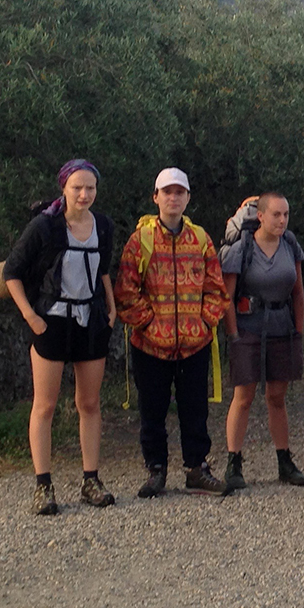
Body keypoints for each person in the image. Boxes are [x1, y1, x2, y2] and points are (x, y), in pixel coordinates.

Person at [2, 158, 116, 515]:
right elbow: (11, 272)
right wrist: (31, 316)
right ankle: (43, 486)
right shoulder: (45, 226)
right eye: (77, 187)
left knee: (90, 404)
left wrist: (111, 310)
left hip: (90, 321)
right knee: (45, 405)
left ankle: (91, 481)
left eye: (90, 188)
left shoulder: (104, 226)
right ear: (64, 188)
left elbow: (104, 270)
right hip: (51, 322)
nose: (84, 194)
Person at [115, 167, 233, 497]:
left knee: (195, 410)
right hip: (149, 345)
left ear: (188, 198)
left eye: (179, 192)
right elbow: (125, 291)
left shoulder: (201, 240)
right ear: (156, 197)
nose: (173, 197)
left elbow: (217, 289)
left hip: (194, 345)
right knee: (151, 410)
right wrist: (149, 324)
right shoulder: (140, 240)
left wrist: (204, 323)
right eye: (167, 192)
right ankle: (156, 470)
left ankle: (197, 469)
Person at [220, 192, 304, 490]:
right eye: (276, 215)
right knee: (243, 397)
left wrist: (298, 333)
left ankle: (284, 461)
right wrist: (233, 336)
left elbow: (298, 292)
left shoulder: (290, 244)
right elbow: (227, 298)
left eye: (286, 215)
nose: (282, 220)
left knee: (277, 397)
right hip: (248, 328)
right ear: (260, 216)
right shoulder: (242, 249)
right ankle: (233, 462)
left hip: (282, 328)